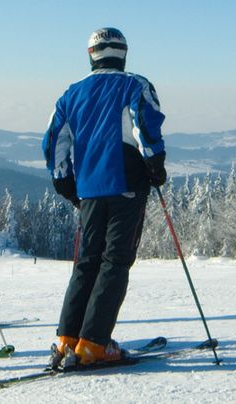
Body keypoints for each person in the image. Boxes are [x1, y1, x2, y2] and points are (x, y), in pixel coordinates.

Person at [42, 27, 167, 368]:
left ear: (90, 55)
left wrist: (65, 183)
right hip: (126, 182)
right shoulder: (134, 84)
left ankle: (68, 339)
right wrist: (155, 163)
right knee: (115, 262)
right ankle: (95, 343)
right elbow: (144, 124)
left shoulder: (71, 93)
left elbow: (55, 142)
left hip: (89, 188)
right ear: (123, 54)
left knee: (87, 261)